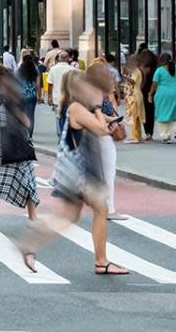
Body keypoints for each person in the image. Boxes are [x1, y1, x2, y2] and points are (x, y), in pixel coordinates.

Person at [20, 72, 128, 276]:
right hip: (79, 174)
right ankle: (101, 261)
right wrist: (98, 108)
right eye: (92, 90)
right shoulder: (77, 108)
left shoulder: (79, 108)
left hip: (77, 173)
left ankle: (30, 244)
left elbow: (104, 124)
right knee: (100, 209)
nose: (96, 94)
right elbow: (101, 129)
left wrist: (113, 119)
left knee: (69, 216)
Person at [0, 66, 39, 222]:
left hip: (0, 147)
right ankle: (33, 217)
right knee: (28, 183)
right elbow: (26, 122)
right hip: (17, 147)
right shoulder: (13, 101)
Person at [87, 61, 126, 220]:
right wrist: (113, 120)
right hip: (102, 134)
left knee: (101, 172)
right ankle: (109, 209)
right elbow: (97, 112)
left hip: (96, 132)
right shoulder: (96, 91)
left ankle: (102, 205)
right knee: (108, 172)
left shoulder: (90, 90)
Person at [149, 52, 176, 143]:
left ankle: (165, 136)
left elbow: (154, 84)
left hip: (162, 94)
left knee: (162, 114)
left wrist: (150, 94)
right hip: (174, 92)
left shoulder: (159, 70)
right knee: (174, 113)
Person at [17, 54, 41, 134]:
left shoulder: (19, 70)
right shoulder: (35, 70)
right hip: (32, 96)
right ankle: (30, 135)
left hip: (20, 95)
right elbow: (38, 85)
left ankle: (22, 133)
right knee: (31, 116)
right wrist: (39, 96)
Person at [122, 58, 145, 143]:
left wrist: (124, 76)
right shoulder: (137, 70)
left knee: (134, 117)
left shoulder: (135, 71)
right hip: (136, 94)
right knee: (136, 117)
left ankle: (135, 137)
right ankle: (137, 136)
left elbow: (133, 81)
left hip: (134, 95)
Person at [140, 48, 158, 140]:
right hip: (153, 90)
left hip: (143, 90)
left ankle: (147, 133)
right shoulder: (155, 65)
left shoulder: (142, 65)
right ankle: (150, 133)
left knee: (145, 112)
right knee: (151, 112)